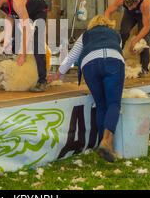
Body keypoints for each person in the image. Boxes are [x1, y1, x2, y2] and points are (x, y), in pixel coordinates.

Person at [47, 15, 124, 162]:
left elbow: (72, 56)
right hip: (113, 61)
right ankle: (107, 142)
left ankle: (102, 143)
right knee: (113, 103)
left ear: (91, 24)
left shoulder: (86, 34)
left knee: (101, 105)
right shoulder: (116, 34)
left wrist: (56, 74)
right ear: (109, 24)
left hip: (89, 64)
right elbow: (117, 50)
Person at [0, 0, 48, 92]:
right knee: (14, 43)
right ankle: (21, 75)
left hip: (37, 12)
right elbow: (8, 17)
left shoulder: (17, 1)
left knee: (36, 43)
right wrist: (7, 40)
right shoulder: (1, 4)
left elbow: (27, 29)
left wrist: (23, 54)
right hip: (22, 14)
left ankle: (42, 81)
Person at [105, 0, 150, 77]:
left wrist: (134, 41)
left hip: (143, 15)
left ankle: (144, 68)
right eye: (127, 6)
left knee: (143, 40)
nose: (129, 8)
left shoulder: (145, 3)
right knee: (124, 32)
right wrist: (107, 27)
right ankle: (119, 61)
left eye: (131, 6)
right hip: (130, 15)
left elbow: (146, 27)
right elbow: (108, 12)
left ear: (137, 1)